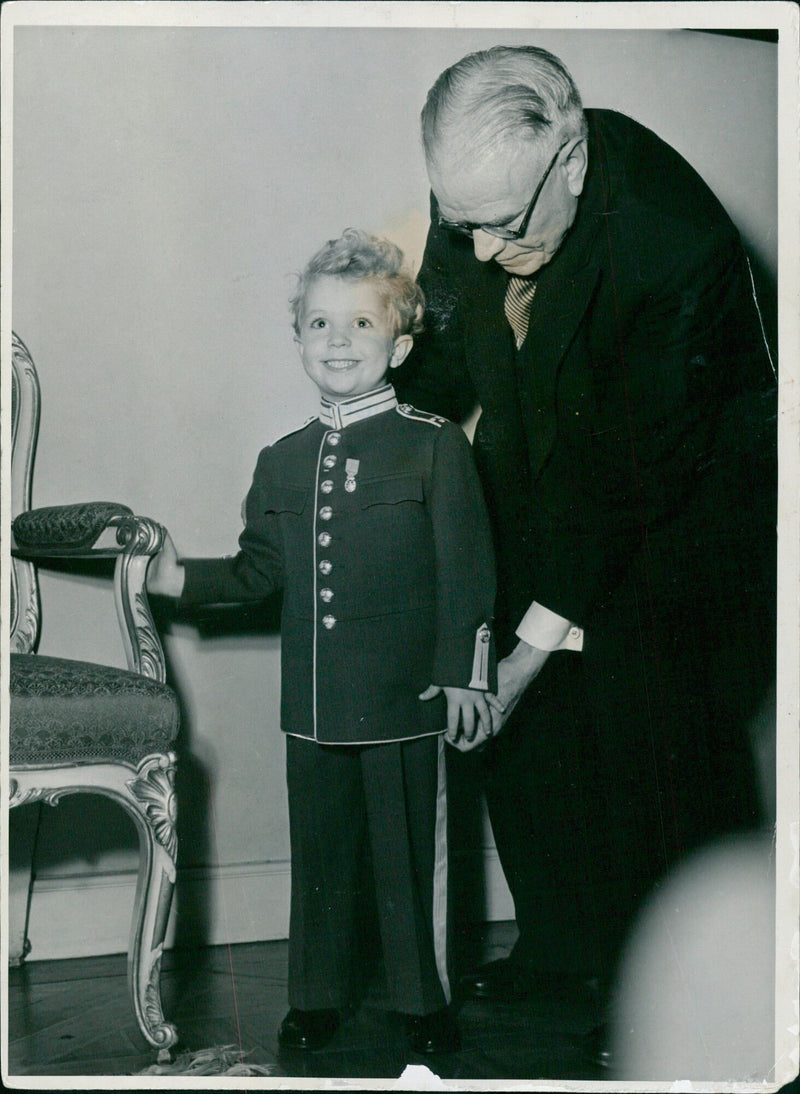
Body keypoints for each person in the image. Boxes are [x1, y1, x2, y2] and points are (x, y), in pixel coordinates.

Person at [394, 45, 777, 1025]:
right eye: (458, 223)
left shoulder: (670, 239)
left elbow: (628, 473)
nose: (476, 251)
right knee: (507, 712)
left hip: (685, 506)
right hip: (549, 464)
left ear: (568, 159)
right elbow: (447, 351)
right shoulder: (487, 199)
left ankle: (681, 996)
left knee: (650, 729)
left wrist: (537, 637)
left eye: (499, 226)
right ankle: (561, 952)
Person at [147, 229, 498, 1055]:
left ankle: (424, 1000)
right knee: (323, 859)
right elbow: (257, 571)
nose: (338, 342)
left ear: (402, 344)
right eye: (319, 325)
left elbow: (468, 570)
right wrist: (178, 580)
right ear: (298, 338)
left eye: (362, 325)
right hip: (314, 702)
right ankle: (317, 995)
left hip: (409, 696)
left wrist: (465, 676)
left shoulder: (434, 444)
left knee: (409, 855)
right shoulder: (282, 461)